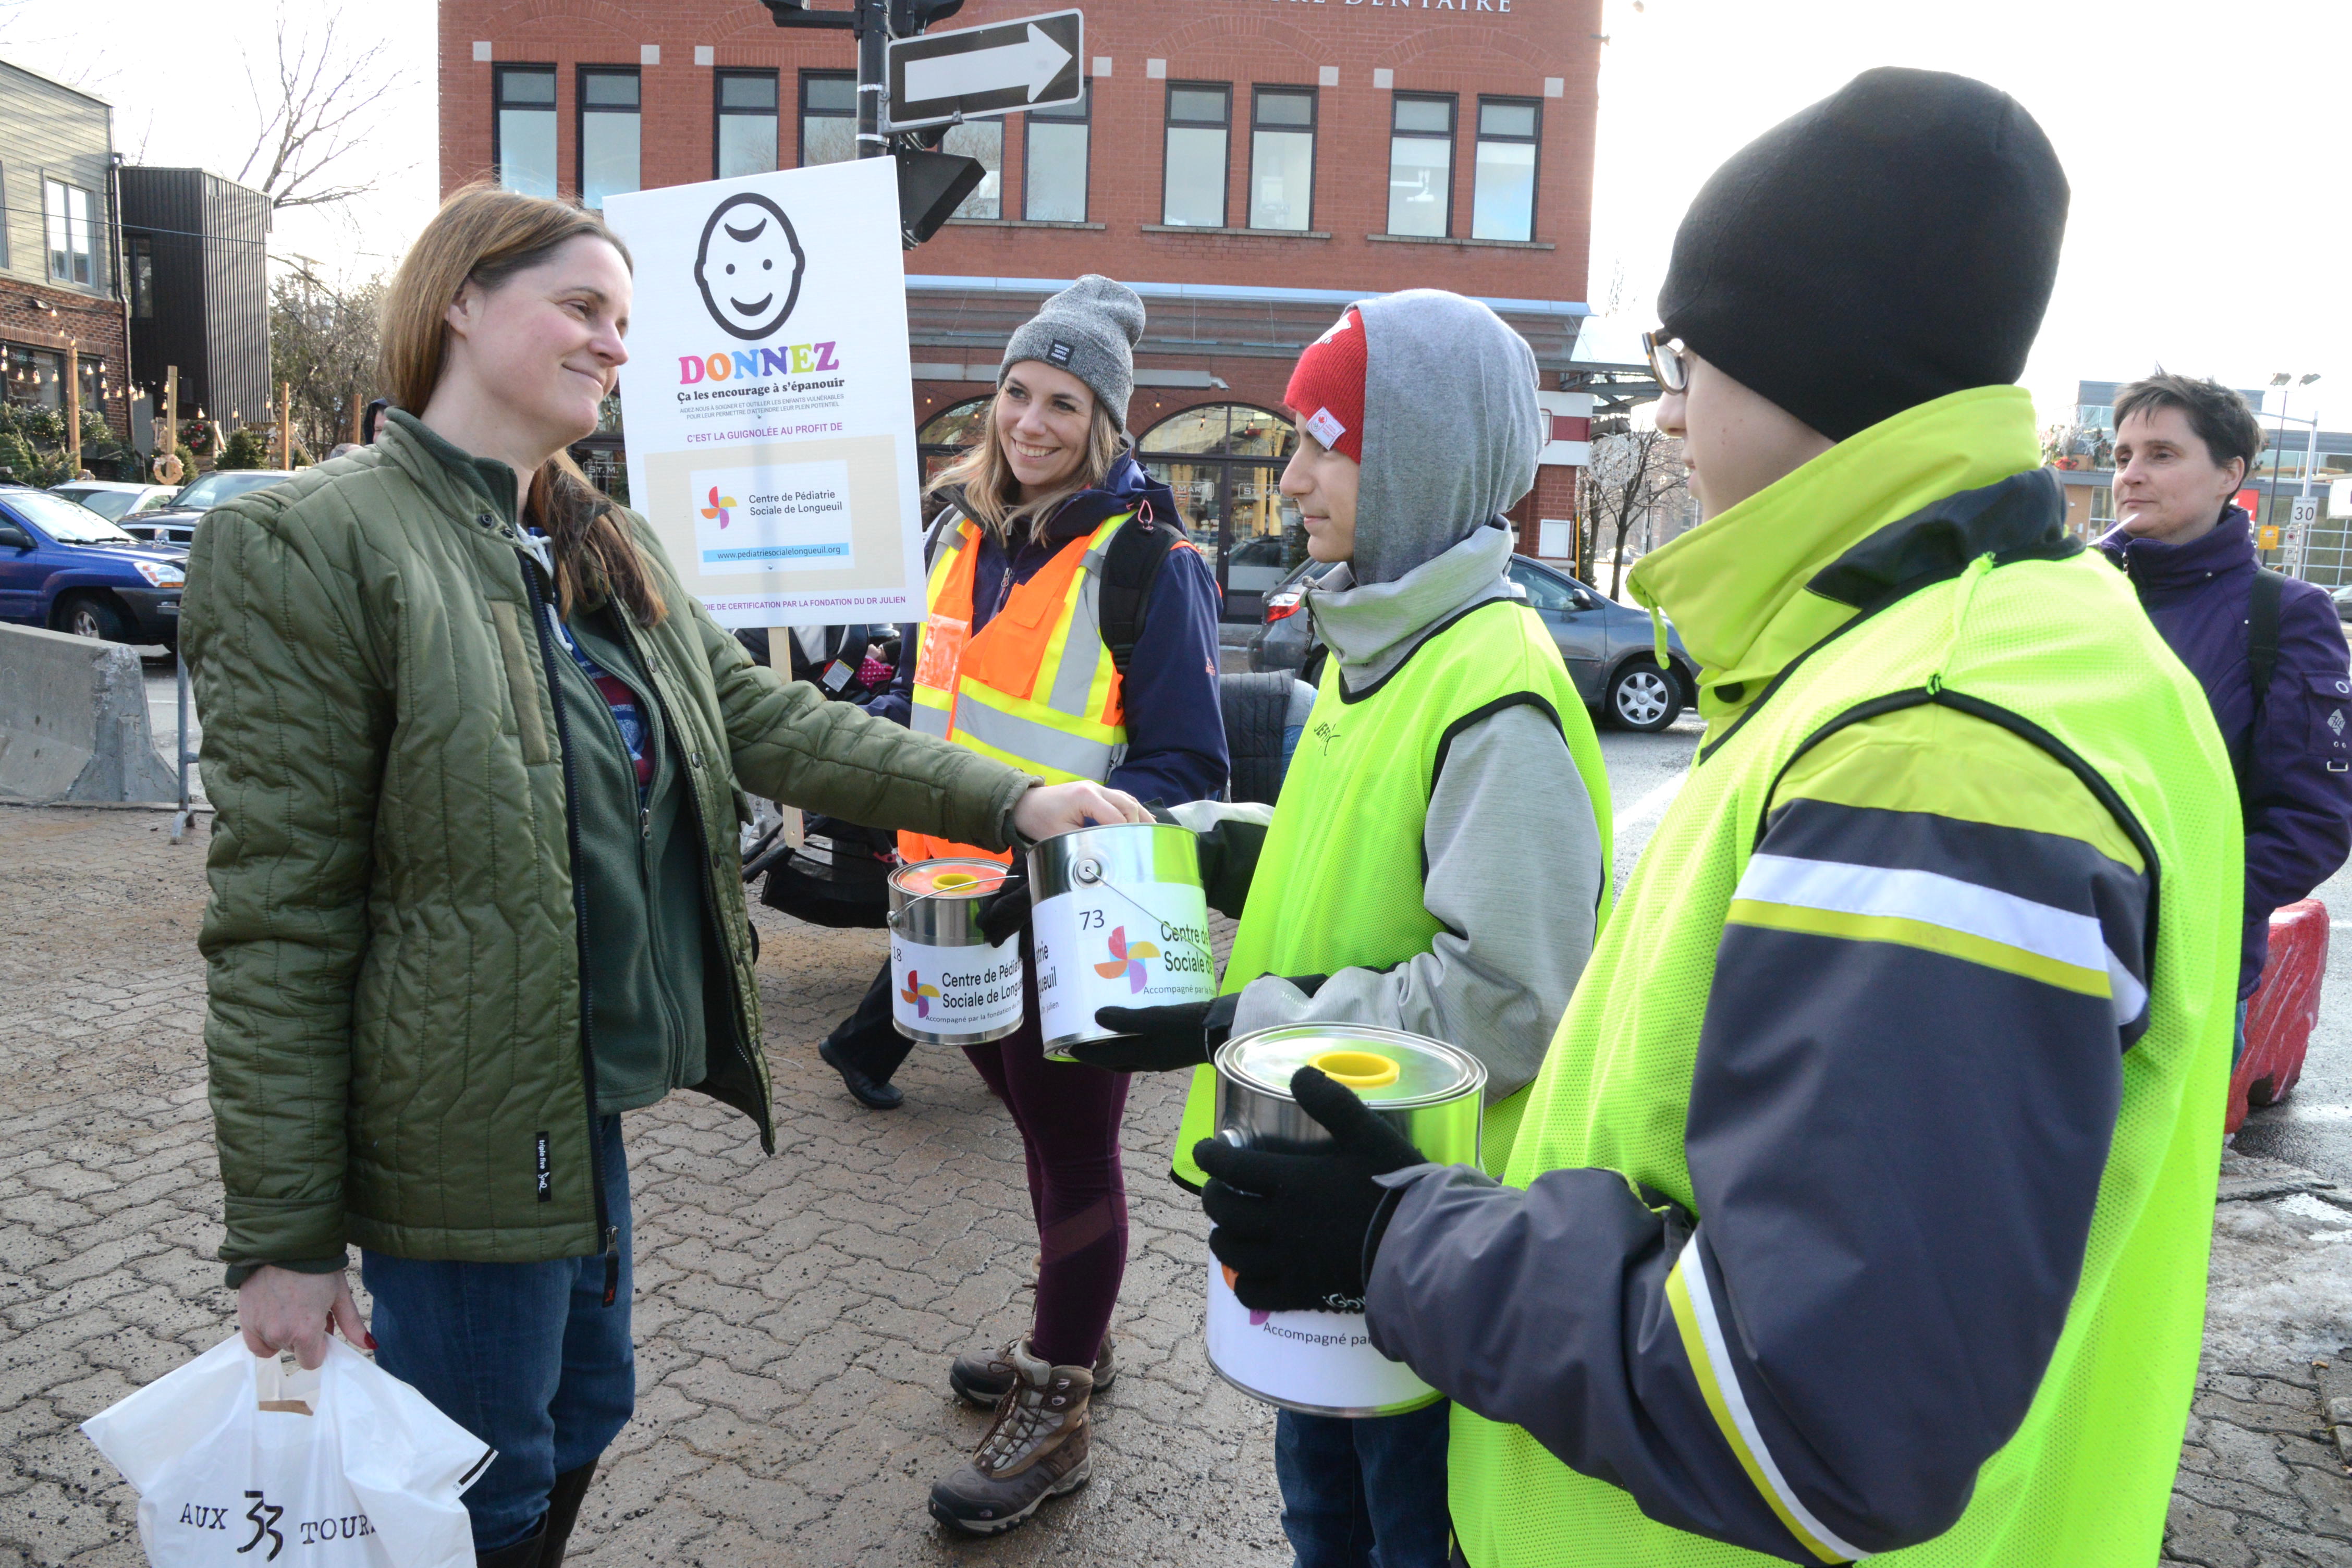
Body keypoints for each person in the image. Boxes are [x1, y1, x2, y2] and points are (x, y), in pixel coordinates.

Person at [1193, 69, 2244, 1567]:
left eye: (1687, 361)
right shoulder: (1977, 653)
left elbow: (1815, 1407)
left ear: (1808, 354)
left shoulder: (1937, 741)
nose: (1669, 414)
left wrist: (1396, 1240)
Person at [180, 186, 1147, 1568]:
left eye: (624, 321)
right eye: (582, 307)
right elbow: (278, 920)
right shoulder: (313, 544)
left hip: (580, 1104)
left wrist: (1011, 796)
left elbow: (779, 728)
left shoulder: (598, 540)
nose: (613, 343)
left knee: (587, 1411)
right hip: (448, 1127)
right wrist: (281, 1239)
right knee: (483, 1481)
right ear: (457, 300)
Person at [1072, 290, 1612, 1568]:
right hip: (1328, 1197)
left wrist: (1234, 1026)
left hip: (1413, 1224)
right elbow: (1353, 864)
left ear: (1418, 457)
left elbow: (1508, 1000)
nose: (1291, 476)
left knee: (1394, 1536)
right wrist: (1214, 846)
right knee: (1325, 1522)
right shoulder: (1376, 642)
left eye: (1323, 441)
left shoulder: (1497, 689)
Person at [790, 275, 1226, 1534]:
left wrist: (1054, 819)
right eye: (1019, 393)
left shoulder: (1149, 562)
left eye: (1066, 403)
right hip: (948, 910)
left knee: (1076, 1149)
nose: (1032, 421)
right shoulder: (956, 535)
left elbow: (1189, 766)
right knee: (1035, 1131)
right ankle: (1074, 1327)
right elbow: (938, 711)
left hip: (1069, 923)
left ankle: (1061, 1401)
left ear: (1107, 424)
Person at [2101, 373, 2352, 1054]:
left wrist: (2182, 911)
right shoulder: (2076, 597)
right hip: (2046, 953)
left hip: (2183, 976)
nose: (2131, 475)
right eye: (2123, 457)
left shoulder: (2285, 615)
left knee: (2156, 1162)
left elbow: (2312, 820)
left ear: (2228, 475)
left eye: (2162, 454)